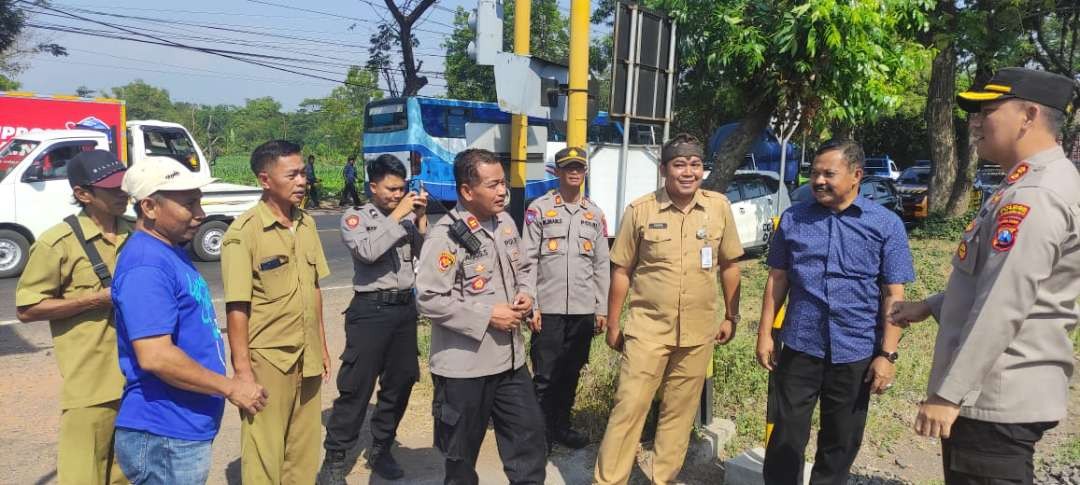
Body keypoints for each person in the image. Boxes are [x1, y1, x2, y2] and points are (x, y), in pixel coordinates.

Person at [889, 68, 1080, 485]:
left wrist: (947, 394)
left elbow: (1003, 304)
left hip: (995, 396)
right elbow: (992, 280)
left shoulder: (1035, 196)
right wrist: (930, 306)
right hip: (996, 390)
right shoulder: (1023, 184)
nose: (974, 121)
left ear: (1029, 115)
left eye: (987, 110)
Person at [756, 139, 915, 484]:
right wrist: (765, 334)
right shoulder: (794, 218)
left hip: (855, 350)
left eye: (829, 173)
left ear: (856, 175)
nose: (819, 180)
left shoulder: (886, 225)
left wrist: (887, 354)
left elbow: (894, 294)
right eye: (814, 173)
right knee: (785, 436)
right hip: (801, 345)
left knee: (840, 442)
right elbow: (778, 279)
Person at [594, 133, 743, 485]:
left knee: (679, 414)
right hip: (647, 330)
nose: (688, 172)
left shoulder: (718, 207)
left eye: (694, 164)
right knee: (629, 408)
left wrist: (731, 316)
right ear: (664, 170)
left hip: (698, 333)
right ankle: (609, 481)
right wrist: (613, 323)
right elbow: (621, 270)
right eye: (679, 164)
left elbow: (731, 265)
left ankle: (663, 478)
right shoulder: (640, 210)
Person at [111, 157, 268, 484]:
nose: (200, 213)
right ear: (150, 207)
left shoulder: (169, 249)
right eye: (188, 204)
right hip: (164, 430)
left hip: (181, 426)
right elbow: (156, 356)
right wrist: (231, 388)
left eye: (199, 200)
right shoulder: (146, 265)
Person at [416, 148, 547, 485]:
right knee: (460, 461)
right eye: (493, 185)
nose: (503, 191)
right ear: (466, 191)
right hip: (465, 369)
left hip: (511, 363)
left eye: (503, 183)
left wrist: (527, 294)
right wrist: (488, 315)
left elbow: (527, 267)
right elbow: (428, 298)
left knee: (530, 447)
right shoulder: (445, 236)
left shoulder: (504, 222)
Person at [15, 149, 131, 485]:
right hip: (91, 382)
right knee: (84, 475)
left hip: (139, 376)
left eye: (124, 185)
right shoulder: (58, 243)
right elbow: (27, 308)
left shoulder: (137, 233)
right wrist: (95, 300)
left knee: (128, 473)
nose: (122, 193)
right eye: (112, 188)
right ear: (83, 194)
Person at [221, 140, 332, 485]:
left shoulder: (306, 224)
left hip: (308, 354)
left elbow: (314, 288)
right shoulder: (243, 233)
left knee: (303, 448)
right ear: (265, 179)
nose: (303, 181)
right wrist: (242, 373)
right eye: (293, 174)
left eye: (303, 173)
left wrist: (323, 346)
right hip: (269, 358)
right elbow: (238, 307)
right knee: (265, 451)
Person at [318, 154, 428, 483]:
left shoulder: (406, 218)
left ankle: (381, 447)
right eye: (391, 189)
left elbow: (427, 255)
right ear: (373, 186)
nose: (398, 195)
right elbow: (367, 252)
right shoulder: (355, 217)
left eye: (402, 189)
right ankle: (335, 457)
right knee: (356, 386)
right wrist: (399, 215)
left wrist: (420, 221)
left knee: (402, 380)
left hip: (403, 310)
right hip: (371, 311)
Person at [522, 146, 610, 452]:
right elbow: (528, 260)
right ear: (556, 172)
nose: (574, 172)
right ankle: (539, 434)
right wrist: (530, 305)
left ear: (585, 172)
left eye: (579, 168)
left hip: (583, 310)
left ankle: (561, 426)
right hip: (548, 309)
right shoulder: (539, 210)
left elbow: (601, 265)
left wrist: (602, 309)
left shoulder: (595, 214)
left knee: (571, 372)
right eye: (568, 167)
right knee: (545, 376)